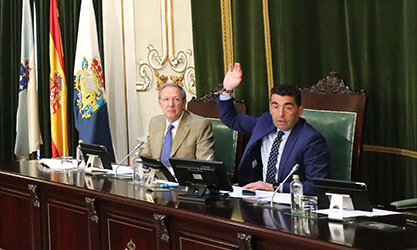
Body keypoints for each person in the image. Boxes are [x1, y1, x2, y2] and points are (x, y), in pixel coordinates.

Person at [218, 63, 330, 194]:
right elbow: (231, 119)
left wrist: (275, 188)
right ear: (270, 108)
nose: (281, 114)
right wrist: (227, 90)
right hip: (257, 196)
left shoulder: (311, 140)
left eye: (288, 108)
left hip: (289, 203)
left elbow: (316, 186)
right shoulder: (264, 122)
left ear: (299, 111)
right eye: (275, 107)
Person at [140, 83, 214, 167]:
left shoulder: (200, 126)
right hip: (157, 178)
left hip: (182, 178)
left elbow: (204, 165)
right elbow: (146, 155)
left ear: (184, 103)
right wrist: (138, 160)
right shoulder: (155, 122)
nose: (171, 105)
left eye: (176, 99)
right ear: (160, 103)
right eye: (166, 99)